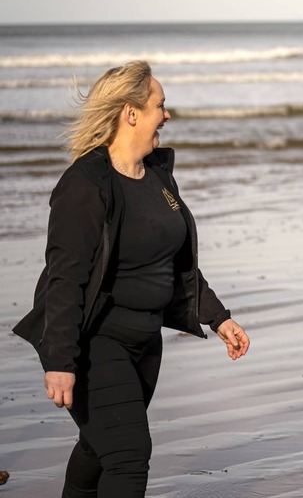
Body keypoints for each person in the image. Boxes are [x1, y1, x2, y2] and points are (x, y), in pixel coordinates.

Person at [13, 61, 250, 497]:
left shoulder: (158, 176)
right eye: (161, 105)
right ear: (131, 113)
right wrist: (60, 362)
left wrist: (218, 317)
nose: (167, 114)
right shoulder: (86, 184)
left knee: (99, 446)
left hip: (145, 344)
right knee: (128, 457)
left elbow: (178, 263)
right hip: (96, 342)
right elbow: (65, 278)